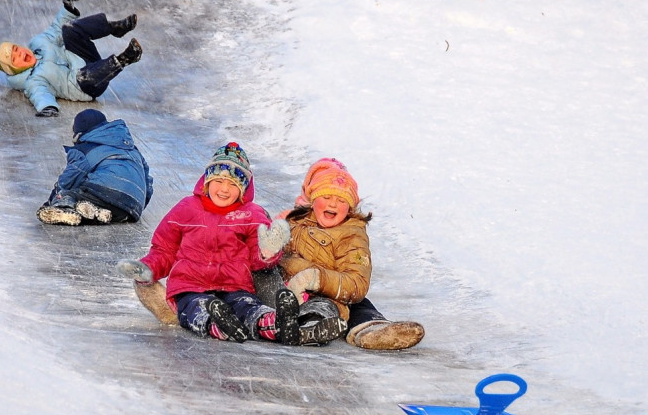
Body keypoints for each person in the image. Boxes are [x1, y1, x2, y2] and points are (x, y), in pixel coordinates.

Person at [117, 142, 299, 344]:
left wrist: (267, 251)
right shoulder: (186, 209)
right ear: (207, 181)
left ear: (243, 189)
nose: (224, 189)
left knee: (248, 306)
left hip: (234, 286)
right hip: (191, 286)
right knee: (197, 308)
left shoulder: (251, 214)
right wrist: (148, 267)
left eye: (233, 184)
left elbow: (257, 262)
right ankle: (216, 324)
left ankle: (272, 323)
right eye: (218, 181)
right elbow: (165, 250)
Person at [276, 158, 424, 350]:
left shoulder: (351, 234)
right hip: (284, 292)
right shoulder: (294, 221)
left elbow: (357, 282)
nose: (334, 204)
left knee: (349, 303)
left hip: (327, 296)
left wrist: (316, 279)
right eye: (327, 197)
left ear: (350, 207)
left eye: (341, 200)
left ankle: (367, 329)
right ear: (313, 199)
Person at [0, 0, 142, 116]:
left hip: (84, 59)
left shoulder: (38, 44)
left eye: (17, 50)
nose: (21, 54)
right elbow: (40, 95)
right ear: (15, 69)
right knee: (83, 76)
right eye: (15, 59)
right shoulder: (33, 80)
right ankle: (126, 58)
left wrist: (67, 8)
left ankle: (115, 28)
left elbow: (56, 28)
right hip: (86, 85)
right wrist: (47, 108)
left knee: (68, 29)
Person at [36, 109, 153, 226]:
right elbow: (148, 182)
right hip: (132, 206)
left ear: (79, 133)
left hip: (105, 190)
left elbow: (68, 180)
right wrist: (137, 204)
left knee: (67, 195)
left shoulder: (85, 148)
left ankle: (64, 207)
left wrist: (52, 199)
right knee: (94, 203)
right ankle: (99, 213)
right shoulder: (132, 148)